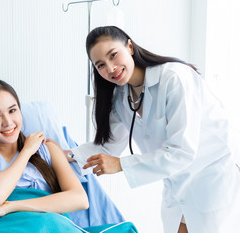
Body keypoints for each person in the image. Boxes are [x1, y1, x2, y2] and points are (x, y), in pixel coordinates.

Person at [68, 26, 240, 233]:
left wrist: (121, 165)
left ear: (129, 46)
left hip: (212, 173)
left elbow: (182, 150)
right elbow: (110, 145)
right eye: (101, 65)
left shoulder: (174, 78)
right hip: (177, 180)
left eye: (113, 55)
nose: (111, 68)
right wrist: (68, 155)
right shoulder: (121, 96)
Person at [0, 79, 89, 230]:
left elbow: (80, 199)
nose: (7, 122)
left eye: (12, 111)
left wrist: (9, 207)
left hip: (46, 223)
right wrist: (26, 152)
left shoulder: (48, 149)